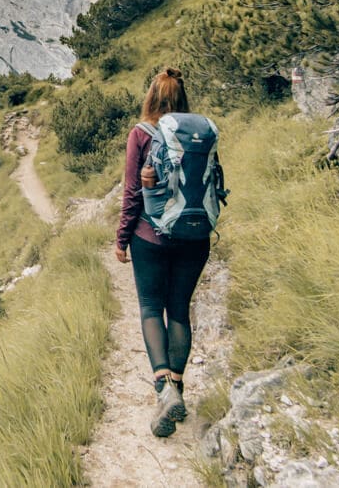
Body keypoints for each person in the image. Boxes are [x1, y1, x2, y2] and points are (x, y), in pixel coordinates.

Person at [114, 66, 218, 438]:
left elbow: (132, 195)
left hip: (151, 236)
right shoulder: (202, 133)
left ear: (151, 98)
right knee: (179, 310)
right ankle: (178, 383)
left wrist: (122, 238)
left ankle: (163, 388)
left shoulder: (141, 134)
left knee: (149, 308)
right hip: (195, 236)